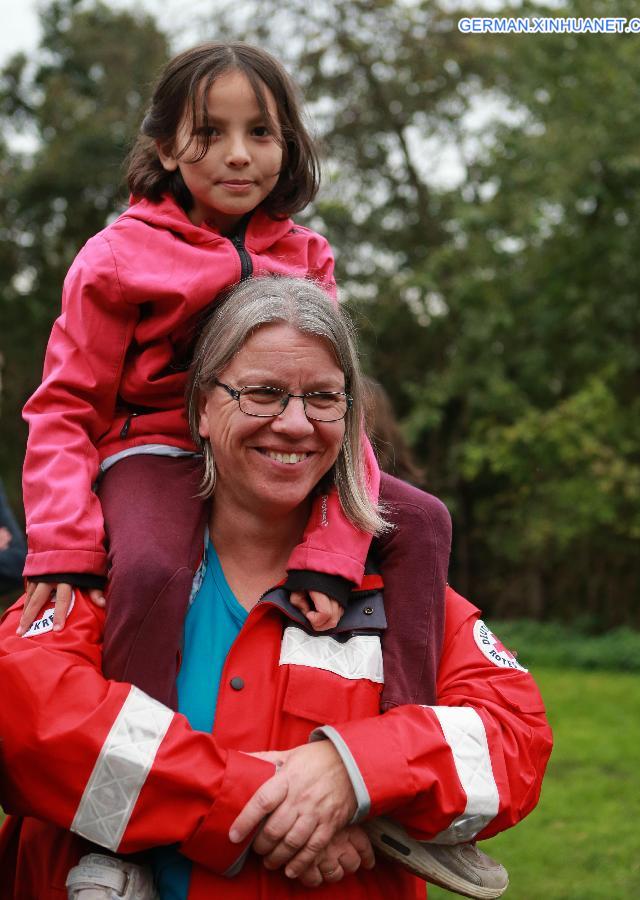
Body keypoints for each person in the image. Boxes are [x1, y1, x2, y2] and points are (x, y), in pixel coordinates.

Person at [0, 277, 552, 899]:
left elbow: (515, 739)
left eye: (324, 398)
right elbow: (23, 719)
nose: (295, 424)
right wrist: (256, 799)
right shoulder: (113, 565)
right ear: (202, 408)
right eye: (262, 393)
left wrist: (352, 771)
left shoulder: (397, 585)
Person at [17, 41, 450, 721]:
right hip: (158, 450)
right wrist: (63, 543)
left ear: (289, 145)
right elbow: (65, 407)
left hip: (279, 444)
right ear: (165, 147)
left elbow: (338, 405)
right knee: (153, 567)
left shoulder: (306, 256)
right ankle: (141, 762)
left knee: (424, 520)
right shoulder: (115, 259)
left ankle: (403, 734)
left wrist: (331, 553)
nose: (239, 154)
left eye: (260, 132)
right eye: (210, 133)